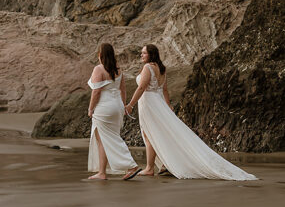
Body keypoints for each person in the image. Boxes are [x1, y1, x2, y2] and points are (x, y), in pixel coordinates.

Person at [125, 44, 256, 181]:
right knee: (162, 133)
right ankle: (163, 164)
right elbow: (164, 90)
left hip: (149, 104)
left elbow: (141, 88)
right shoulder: (161, 69)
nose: (141, 55)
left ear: (151, 54)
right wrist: (168, 106)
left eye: (144, 53)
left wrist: (130, 105)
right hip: (159, 103)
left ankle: (149, 168)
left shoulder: (148, 67)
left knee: (149, 135)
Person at [87, 42, 141, 181]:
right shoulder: (118, 69)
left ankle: (130, 165)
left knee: (105, 139)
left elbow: (96, 91)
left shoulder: (99, 69)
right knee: (109, 138)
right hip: (116, 105)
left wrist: (91, 108)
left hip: (104, 107)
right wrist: (123, 106)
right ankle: (102, 172)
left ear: (100, 55)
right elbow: (122, 89)